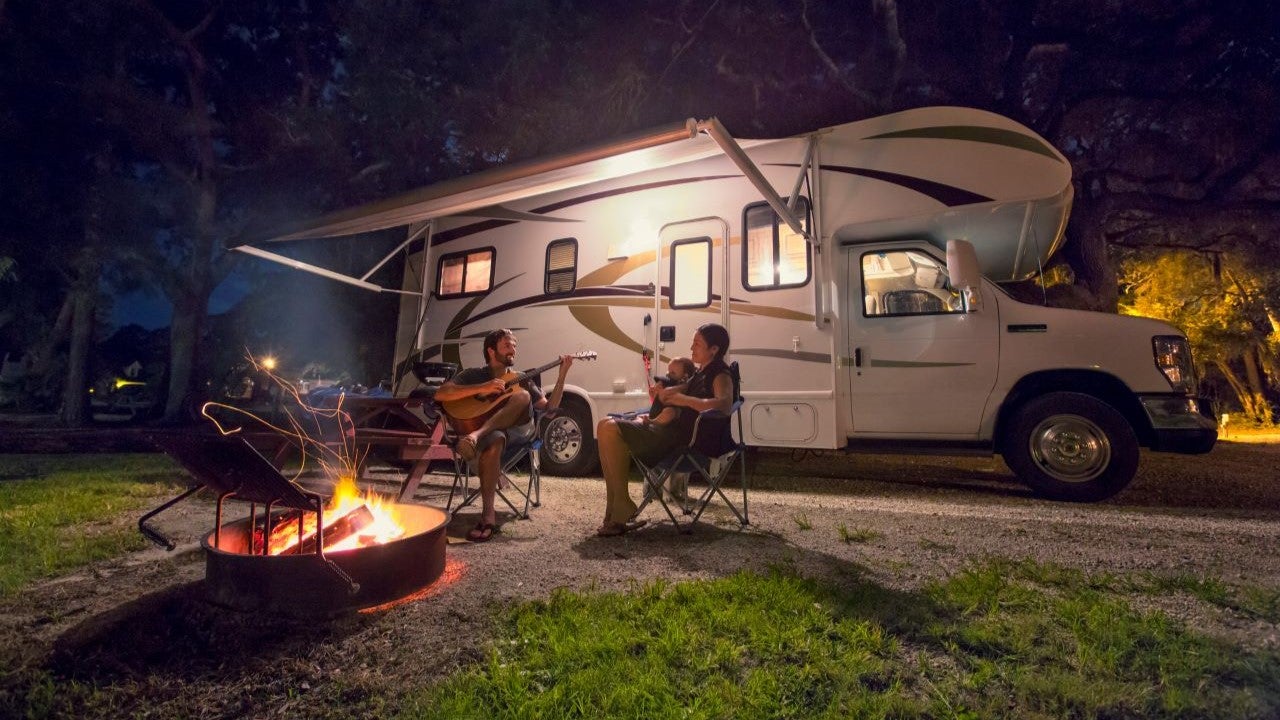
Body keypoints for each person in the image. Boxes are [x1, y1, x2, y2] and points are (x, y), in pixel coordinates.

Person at [432, 329, 575, 542]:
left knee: (522, 395)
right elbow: (441, 394)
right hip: (494, 434)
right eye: (507, 346)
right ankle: (488, 515)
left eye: (514, 346)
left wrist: (562, 374)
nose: (513, 350)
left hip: (519, 432)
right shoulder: (474, 375)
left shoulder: (521, 378)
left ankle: (475, 436)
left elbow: (550, 408)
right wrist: (483, 387)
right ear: (491, 351)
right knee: (496, 439)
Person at [594, 324, 733, 537]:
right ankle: (614, 505)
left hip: (683, 442)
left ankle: (620, 506)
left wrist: (684, 400)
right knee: (603, 425)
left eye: (697, 344)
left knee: (611, 429)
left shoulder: (720, 374)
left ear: (713, 349)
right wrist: (666, 392)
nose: (691, 347)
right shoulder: (700, 373)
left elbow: (724, 404)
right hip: (670, 435)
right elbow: (678, 391)